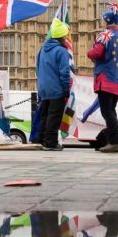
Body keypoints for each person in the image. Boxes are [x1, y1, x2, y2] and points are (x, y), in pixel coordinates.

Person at [87, 3, 118, 153]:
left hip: (105, 79)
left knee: (107, 112)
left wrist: (89, 53)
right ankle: (115, 140)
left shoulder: (105, 34)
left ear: (107, 21)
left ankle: (115, 142)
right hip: (116, 80)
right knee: (112, 111)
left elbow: (96, 53)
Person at [35, 18, 73, 151]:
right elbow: (64, 72)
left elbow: (38, 69)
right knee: (54, 116)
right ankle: (50, 143)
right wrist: (66, 88)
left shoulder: (43, 49)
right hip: (56, 89)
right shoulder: (61, 51)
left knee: (45, 115)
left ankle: (42, 139)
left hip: (43, 89)